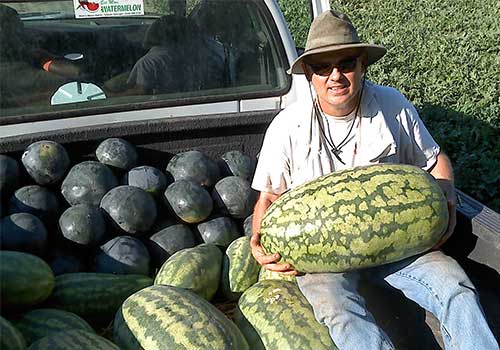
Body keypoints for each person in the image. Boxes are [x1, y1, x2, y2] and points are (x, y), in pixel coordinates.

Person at [250, 10, 499, 350]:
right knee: (338, 310)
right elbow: (269, 197)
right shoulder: (287, 126)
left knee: (455, 287)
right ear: (309, 73)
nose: (335, 76)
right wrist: (258, 240)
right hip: (326, 263)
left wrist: (448, 198)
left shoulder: (392, 105)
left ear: (363, 65)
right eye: (323, 67)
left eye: (347, 63)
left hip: (399, 249)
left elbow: (435, 160)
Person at [125, 14, 227, 95]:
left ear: (154, 33)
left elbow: (141, 93)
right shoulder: (203, 57)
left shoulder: (148, 62)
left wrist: (112, 95)